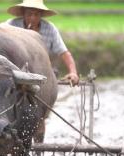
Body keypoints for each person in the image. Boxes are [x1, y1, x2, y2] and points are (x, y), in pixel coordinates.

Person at [5, 0, 79, 143]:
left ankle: (38, 147)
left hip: (42, 74)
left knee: (38, 115)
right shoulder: (11, 26)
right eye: (29, 14)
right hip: (14, 73)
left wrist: (73, 72)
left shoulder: (49, 29)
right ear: (23, 14)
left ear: (41, 15)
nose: (32, 18)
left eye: (36, 14)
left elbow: (64, 52)